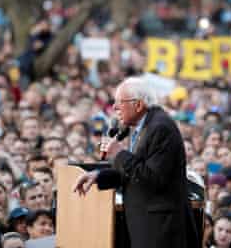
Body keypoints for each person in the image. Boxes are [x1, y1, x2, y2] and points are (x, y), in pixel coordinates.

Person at [74, 77, 198, 248]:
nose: (114, 108)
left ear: (138, 105)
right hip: (146, 227)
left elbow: (152, 178)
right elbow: (132, 173)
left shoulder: (160, 128)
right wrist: (98, 176)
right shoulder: (142, 126)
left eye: (119, 103)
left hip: (161, 231)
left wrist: (119, 153)